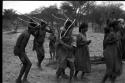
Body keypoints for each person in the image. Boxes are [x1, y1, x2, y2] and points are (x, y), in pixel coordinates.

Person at [13, 19, 38, 83]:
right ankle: (24, 79)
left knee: (25, 64)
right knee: (29, 64)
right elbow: (21, 47)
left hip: (18, 49)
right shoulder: (27, 35)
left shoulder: (27, 32)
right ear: (31, 29)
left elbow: (35, 35)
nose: (35, 30)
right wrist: (22, 56)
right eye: (34, 29)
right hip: (19, 50)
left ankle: (18, 80)